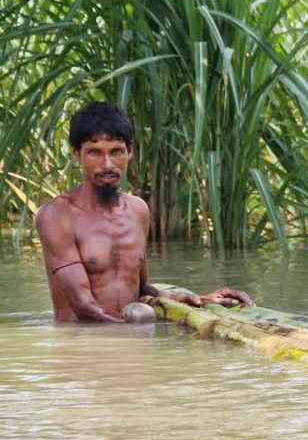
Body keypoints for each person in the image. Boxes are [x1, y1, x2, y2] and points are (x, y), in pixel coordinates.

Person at [36, 102, 254, 323]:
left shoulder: (138, 210)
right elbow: (84, 305)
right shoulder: (58, 215)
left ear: (130, 152)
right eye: (95, 153)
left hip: (129, 333)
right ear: (76, 154)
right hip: (84, 346)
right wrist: (140, 334)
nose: (108, 164)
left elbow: (142, 290)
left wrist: (199, 299)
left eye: (116, 152)